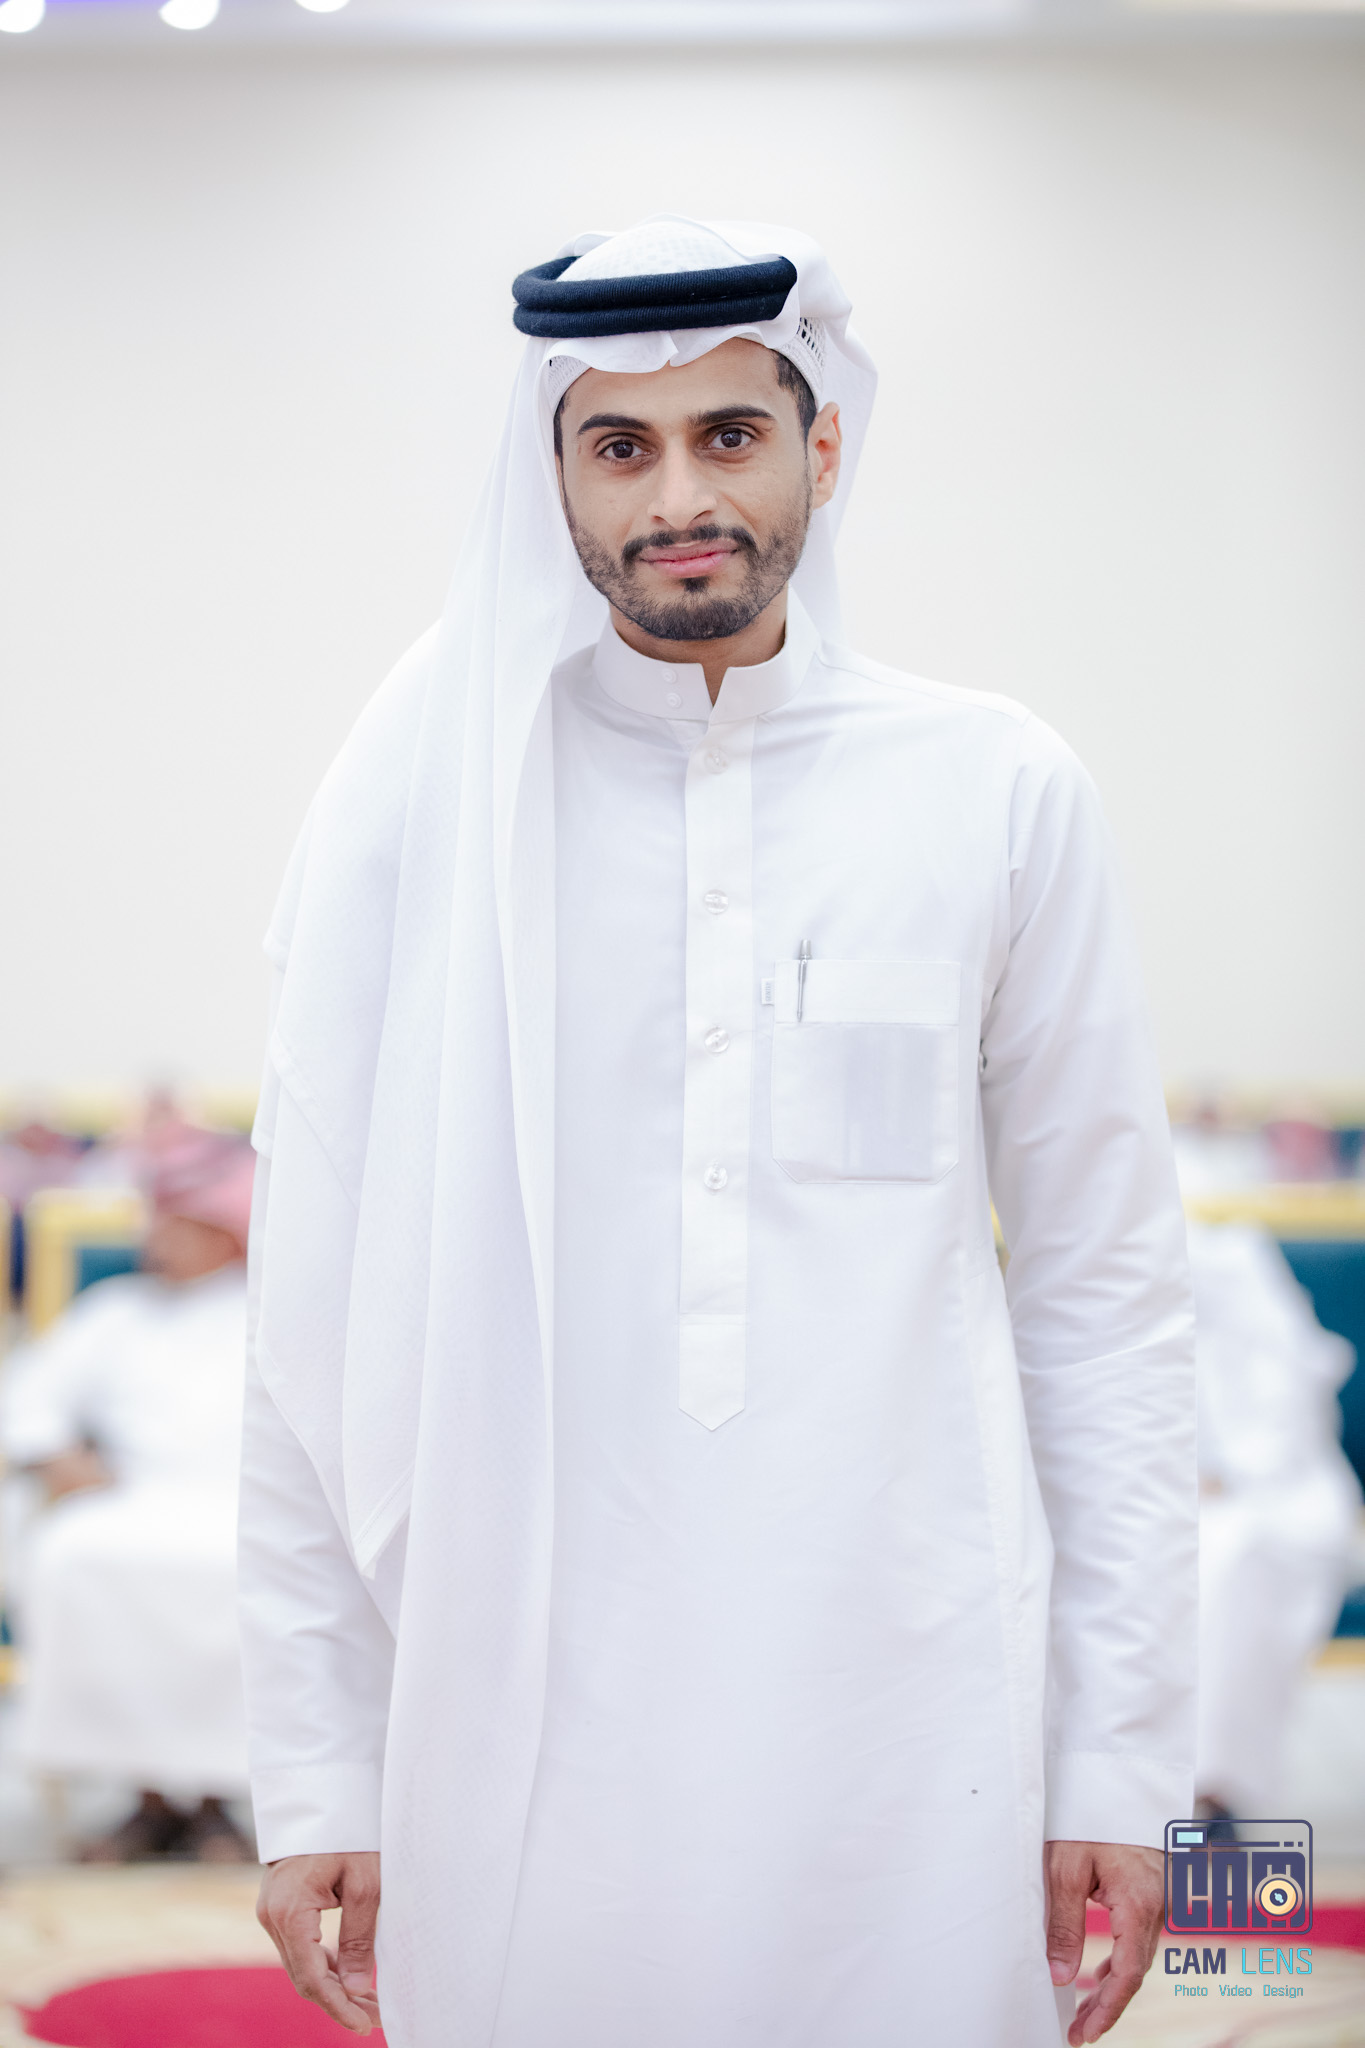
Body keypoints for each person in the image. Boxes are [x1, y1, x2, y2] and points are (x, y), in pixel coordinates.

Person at [241, 218, 1196, 2048]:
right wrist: (319, 1771)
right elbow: (312, 1319)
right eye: (621, 445)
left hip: (913, 1702)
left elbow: (1106, 1303)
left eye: (730, 435)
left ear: (823, 445)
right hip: (515, 1715)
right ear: (555, 479)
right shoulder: (430, 814)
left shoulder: (997, 787)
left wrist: (1119, 1757)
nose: (679, 496)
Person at [1, 1123, 255, 1862]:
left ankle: (210, 1805)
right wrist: (58, 1458)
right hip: (129, 1500)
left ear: (227, 1233)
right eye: (157, 1220)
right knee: (71, 1554)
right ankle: (150, 1801)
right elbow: (27, 1401)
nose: (157, 1237)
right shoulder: (115, 1311)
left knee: (256, 1570)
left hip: (242, 1509)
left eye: (180, 1223)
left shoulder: (270, 1313)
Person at [1189, 1221, 1362, 1819]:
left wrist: (1220, 1473)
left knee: (1229, 1557)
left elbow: (1280, 1418)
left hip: (1267, 1503)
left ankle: (1211, 1798)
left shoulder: (1227, 1273)